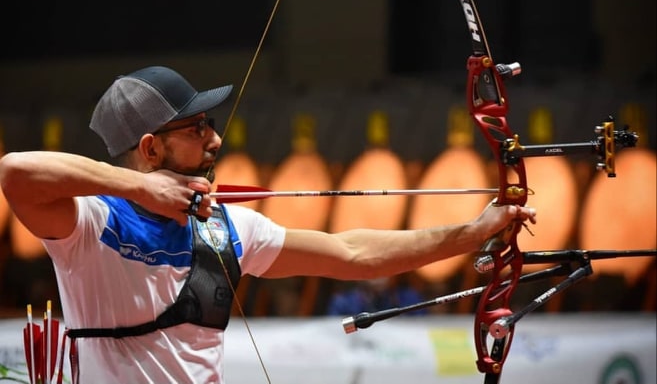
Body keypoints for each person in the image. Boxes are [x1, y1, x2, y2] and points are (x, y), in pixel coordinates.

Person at [0, 65, 537, 384]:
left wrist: (473, 233)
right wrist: (140, 187)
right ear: (150, 147)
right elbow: (16, 172)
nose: (215, 141)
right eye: (196, 128)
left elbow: (352, 253)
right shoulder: (89, 225)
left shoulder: (224, 228)